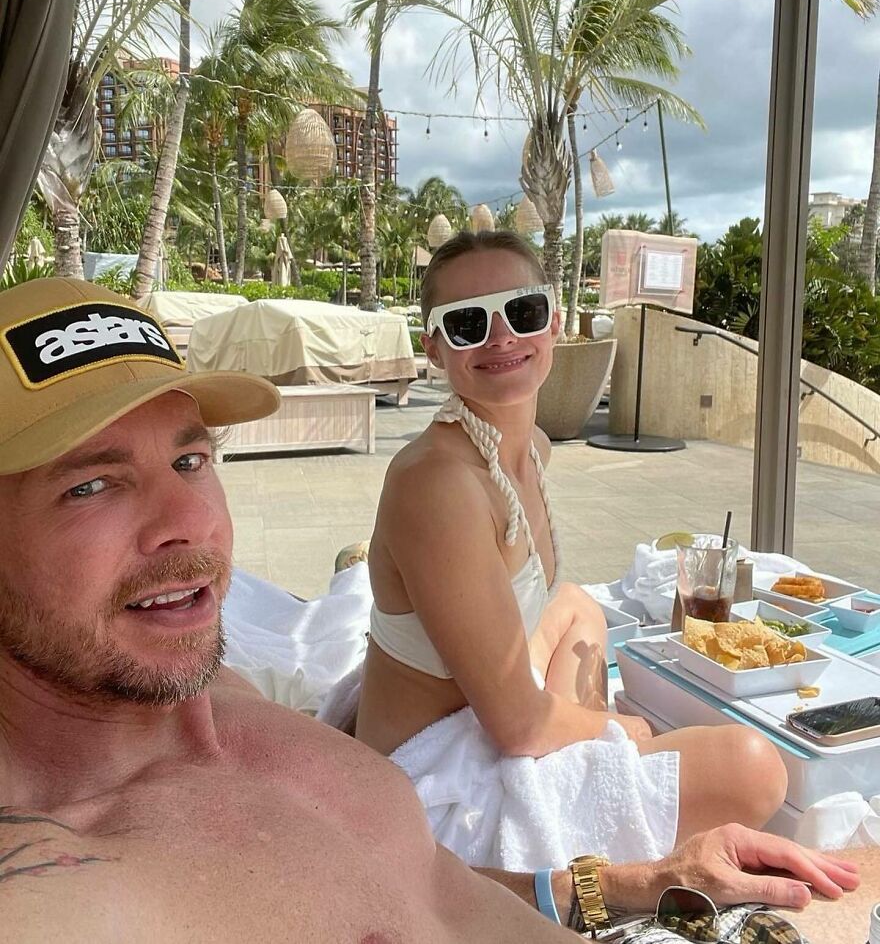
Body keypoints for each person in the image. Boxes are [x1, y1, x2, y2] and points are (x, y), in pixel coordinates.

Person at [0, 277, 863, 942]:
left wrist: (641, 883)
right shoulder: (53, 884)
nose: (187, 523)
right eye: (91, 486)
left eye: (191, 462)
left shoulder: (218, 706)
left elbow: (422, 889)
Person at [356, 230, 788, 870]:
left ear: (553, 322)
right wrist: (629, 731)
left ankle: (591, 774)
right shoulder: (437, 484)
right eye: (469, 323)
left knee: (579, 607)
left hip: (483, 713)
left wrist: (593, 731)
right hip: (433, 780)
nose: (501, 337)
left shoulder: (528, 447)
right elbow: (518, 726)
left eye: (522, 311)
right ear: (436, 347)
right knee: (755, 769)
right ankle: (592, 807)